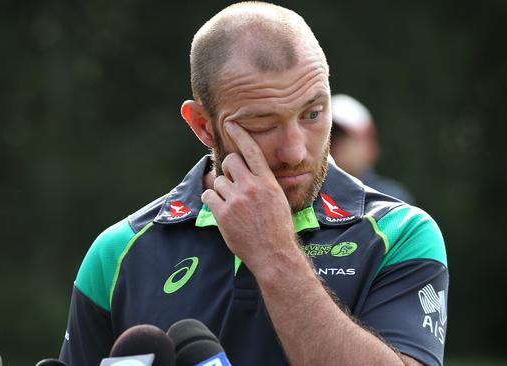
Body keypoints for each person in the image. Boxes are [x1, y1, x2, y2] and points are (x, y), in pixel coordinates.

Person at [59, 2, 448, 365]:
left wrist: (275, 252)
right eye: (261, 125)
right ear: (202, 125)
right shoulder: (117, 253)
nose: (295, 151)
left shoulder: (400, 233)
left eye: (313, 113)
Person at [330, 94, 416, 204]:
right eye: (330, 135)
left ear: (369, 146)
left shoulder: (390, 200)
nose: (333, 143)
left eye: (342, 136)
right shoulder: (309, 197)